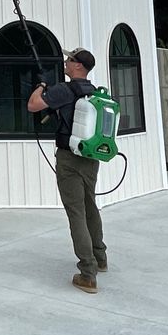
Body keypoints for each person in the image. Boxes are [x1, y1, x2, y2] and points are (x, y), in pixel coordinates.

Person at [28, 47, 106, 293]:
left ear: (78, 66)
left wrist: (41, 85)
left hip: (69, 158)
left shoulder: (65, 89)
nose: (66, 61)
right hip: (90, 158)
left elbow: (33, 105)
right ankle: (100, 257)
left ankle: (87, 273)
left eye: (69, 59)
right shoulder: (93, 91)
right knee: (89, 204)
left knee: (76, 212)